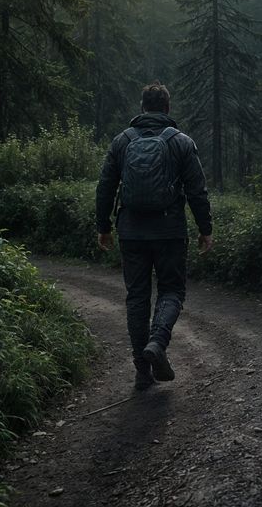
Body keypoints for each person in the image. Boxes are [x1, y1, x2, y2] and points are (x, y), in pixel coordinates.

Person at [95, 82, 214, 391]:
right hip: (169, 230)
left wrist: (103, 226)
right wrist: (205, 229)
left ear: (142, 108)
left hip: (131, 231)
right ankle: (157, 343)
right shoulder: (181, 142)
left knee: (137, 297)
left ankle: (142, 371)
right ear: (167, 108)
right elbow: (197, 190)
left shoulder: (122, 141)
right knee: (171, 290)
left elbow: (105, 187)